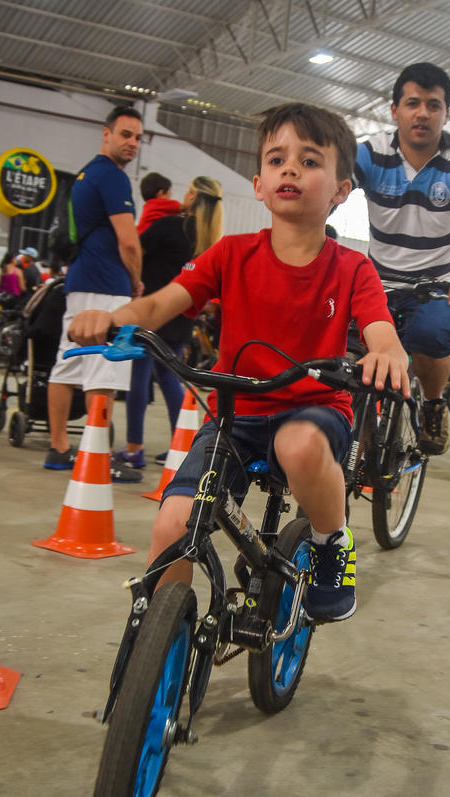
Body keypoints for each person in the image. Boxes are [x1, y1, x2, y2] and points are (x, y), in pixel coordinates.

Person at [68, 101, 410, 623]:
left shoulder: (352, 268)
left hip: (314, 412)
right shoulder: (230, 253)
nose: (290, 168)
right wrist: (116, 317)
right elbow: (163, 302)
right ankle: (163, 646)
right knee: (171, 524)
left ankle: (330, 538)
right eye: (277, 159)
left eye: (310, 160)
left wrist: (387, 352)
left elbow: (379, 327)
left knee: (297, 444)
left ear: (342, 190)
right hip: (236, 417)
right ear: (258, 183)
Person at [354, 61, 450, 455]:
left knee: (429, 335)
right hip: (376, 281)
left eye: (433, 105)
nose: (423, 113)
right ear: (394, 109)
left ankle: (433, 404)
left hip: (436, 284)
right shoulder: (369, 152)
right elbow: (330, 190)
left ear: (446, 113)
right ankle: (354, 426)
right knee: (344, 345)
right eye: (413, 103)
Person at [45, 105, 144, 482]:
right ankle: (97, 456)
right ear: (107, 134)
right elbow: (129, 242)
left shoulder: (86, 174)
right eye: (125, 134)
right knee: (104, 370)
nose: (132, 143)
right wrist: (135, 281)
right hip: (106, 284)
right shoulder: (113, 178)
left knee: (66, 364)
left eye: (137, 137)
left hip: (79, 282)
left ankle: (59, 450)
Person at [113, 173, 223, 468]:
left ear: (191, 196)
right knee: (168, 377)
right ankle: (183, 446)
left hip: (154, 312)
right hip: (182, 320)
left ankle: (134, 448)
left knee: (139, 376)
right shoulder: (209, 240)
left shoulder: (168, 227)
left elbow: (134, 250)